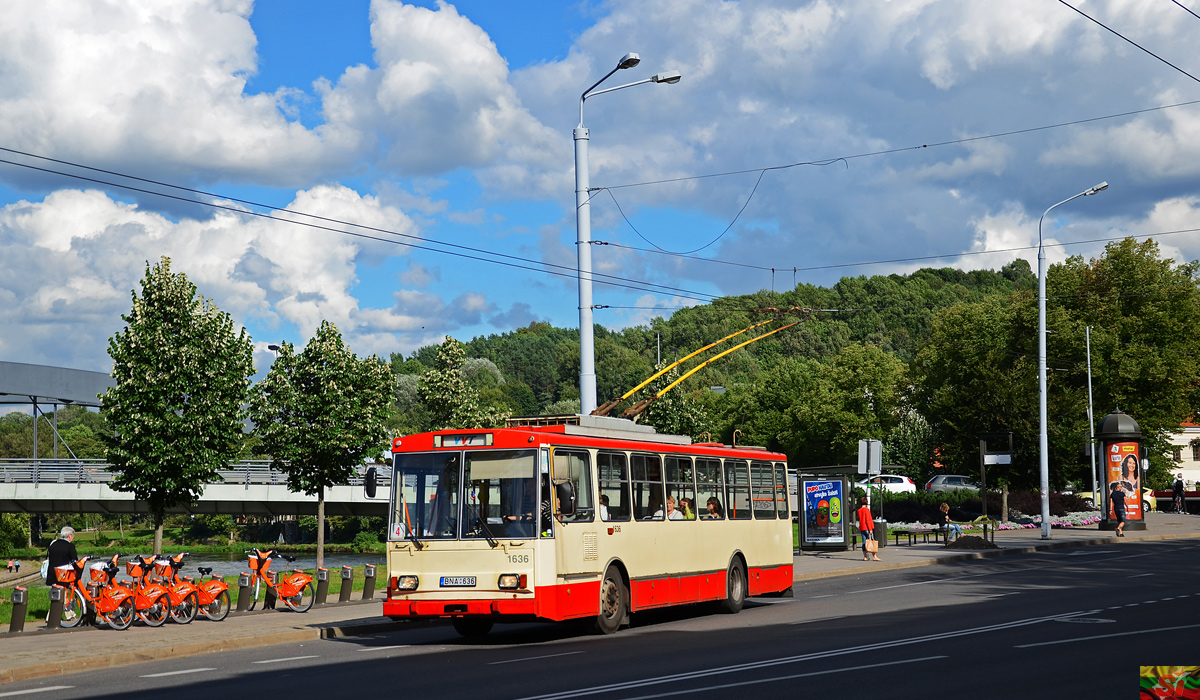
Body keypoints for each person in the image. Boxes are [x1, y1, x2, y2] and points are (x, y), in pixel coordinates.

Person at [856, 497, 881, 561]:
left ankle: (865, 556)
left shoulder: (859, 511)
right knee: (872, 541)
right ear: (866, 502)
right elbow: (868, 520)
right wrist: (870, 529)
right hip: (867, 528)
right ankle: (874, 556)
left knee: (864, 542)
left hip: (862, 528)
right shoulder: (867, 510)